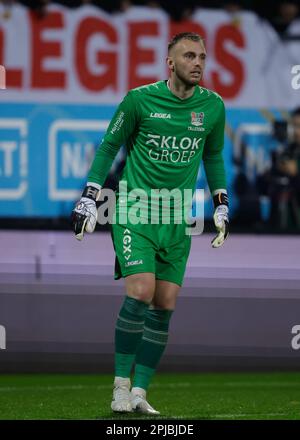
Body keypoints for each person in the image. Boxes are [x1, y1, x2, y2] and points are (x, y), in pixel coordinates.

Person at [71, 32, 229, 415]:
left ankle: (140, 392)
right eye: (189, 56)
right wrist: (90, 196)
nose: (199, 63)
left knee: (165, 303)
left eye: (203, 57)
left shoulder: (213, 107)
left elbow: (213, 156)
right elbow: (109, 145)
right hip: (135, 210)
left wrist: (221, 203)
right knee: (140, 290)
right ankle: (120, 387)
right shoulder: (139, 100)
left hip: (177, 217)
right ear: (170, 63)